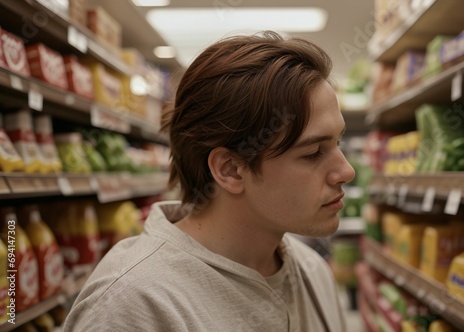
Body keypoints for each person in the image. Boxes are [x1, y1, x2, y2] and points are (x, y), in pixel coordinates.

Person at [64, 30, 355, 332]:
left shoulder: (312, 270)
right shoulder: (132, 306)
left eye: (338, 142)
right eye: (313, 152)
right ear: (230, 169)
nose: (346, 171)